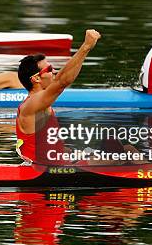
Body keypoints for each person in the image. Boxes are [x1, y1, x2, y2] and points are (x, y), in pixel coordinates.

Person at [16, 30, 101, 164]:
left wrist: (76, 153)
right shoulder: (31, 104)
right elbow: (63, 81)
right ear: (36, 78)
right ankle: (144, 176)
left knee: (123, 148)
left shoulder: (41, 103)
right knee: (116, 156)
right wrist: (86, 47)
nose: (54, 71)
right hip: (44, 171)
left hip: (53, 166)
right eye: (49, 69)